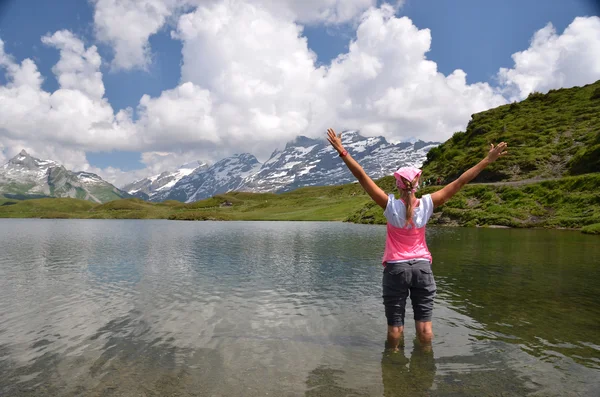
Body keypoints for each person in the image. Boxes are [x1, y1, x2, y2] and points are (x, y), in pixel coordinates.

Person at [326, 128, 508, 350]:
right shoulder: (429, 203)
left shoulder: (390, 205)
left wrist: (342, 151)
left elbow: (361, 176)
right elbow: (461, 181)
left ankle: (393, 367)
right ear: (417, 183)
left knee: (395, 329)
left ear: (398, 185)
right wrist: (487, 160)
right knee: (425, 329)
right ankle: (424, 367)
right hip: (422, 268)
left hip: (395, 269)